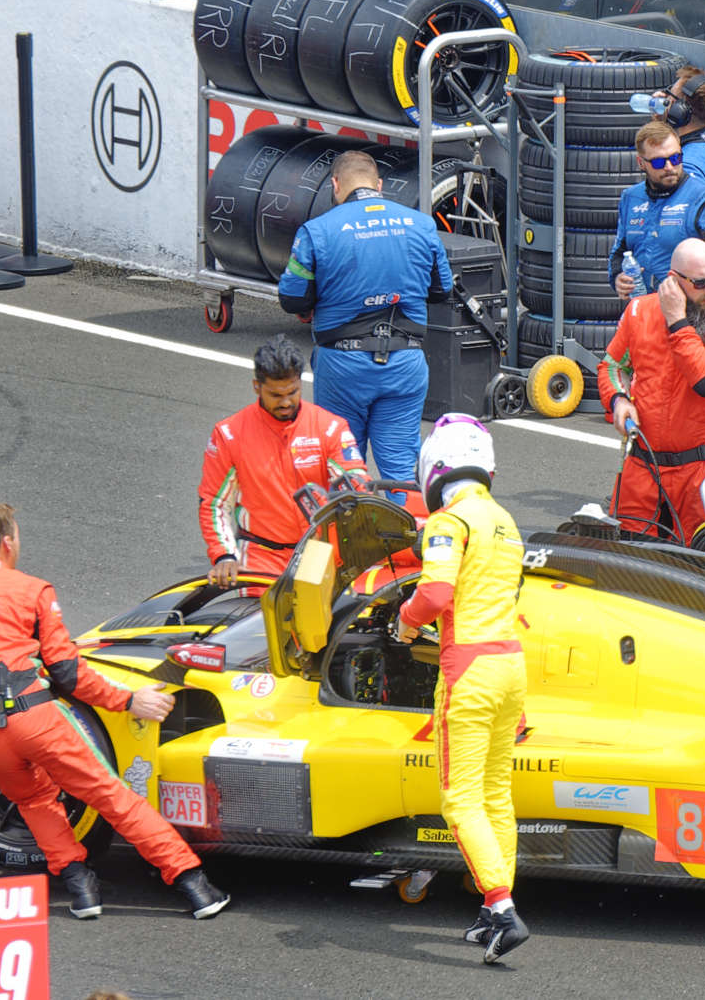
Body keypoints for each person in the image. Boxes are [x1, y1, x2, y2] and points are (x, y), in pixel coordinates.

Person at [0, 502, 230, 921]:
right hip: (33, 717)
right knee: (109, 794)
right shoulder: (32, 589)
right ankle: (194, 884)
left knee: (33, 801)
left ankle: (81, 889)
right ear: (8, 542)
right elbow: (68, 674)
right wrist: (127, 699)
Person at [397, 414, 531, 964]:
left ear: (436, 467)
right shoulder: (505, 520)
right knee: (497, 794)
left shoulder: (448, 521)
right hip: (511, 667)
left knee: (460, 799)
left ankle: (501, 908)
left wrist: (406, 621)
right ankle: (494, 909)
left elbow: (434, 595)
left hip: (468, 672)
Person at [278, 150, 454, 485]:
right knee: (402, 470)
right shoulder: (421, 224)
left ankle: (350, 518)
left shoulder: (317, 231)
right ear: (379, 185)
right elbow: (442, 290)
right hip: (405, 362)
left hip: (343, 365)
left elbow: (293, 298)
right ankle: (408, 519)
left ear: (335, 184)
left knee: (343, 470)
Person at [599, 237, 705, 542]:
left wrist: (677, 322)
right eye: (700, 283)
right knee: (627, 560)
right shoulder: (639, 311)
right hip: (643, 466)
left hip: (702, 470)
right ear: (673, 281)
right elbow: (612, 367)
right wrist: (619, 400)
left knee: (700, 564)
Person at [198, 335, 367, 584]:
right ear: (257, 387)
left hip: (317, 554)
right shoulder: (228, 434)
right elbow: (214, 502)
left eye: (293, 392)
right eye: (276, 395)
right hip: (259, 557)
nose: (286, 402)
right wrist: (223, 555)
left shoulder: (330, 427)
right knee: (255, 612)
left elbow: (356, 483)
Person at [611, 120, 705, 301]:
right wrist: (618, 279)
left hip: (698, 311)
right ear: (641, 163)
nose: (669, 167)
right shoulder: (631, 198)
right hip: (648, 308)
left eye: (675, 158)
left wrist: (698, 291)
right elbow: (619, 254)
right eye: (659, 162)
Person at [647, 66, 705, 204]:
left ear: (679, 111)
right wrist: (660, 122)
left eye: (670, 96)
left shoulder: (685, 165)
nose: (664, 99)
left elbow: (671, 211)